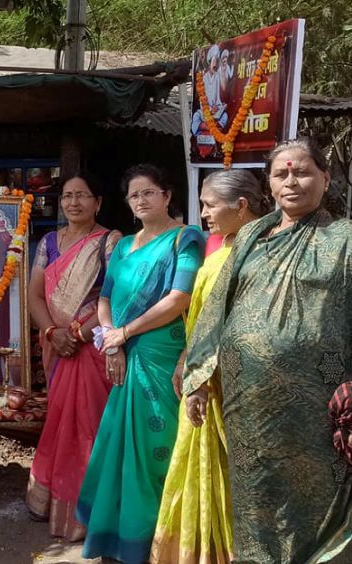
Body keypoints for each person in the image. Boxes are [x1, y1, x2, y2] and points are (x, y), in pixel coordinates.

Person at [182, 138, 352, 562]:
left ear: (325, 179)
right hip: (250, 406)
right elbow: (217, 308)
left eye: (303, 172)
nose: (292, 181)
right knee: (257, 500)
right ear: (270, 185)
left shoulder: (345, 238)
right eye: (282, 174)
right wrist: (199, 379)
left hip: (319, 405)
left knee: (316, 504)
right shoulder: (252, 237)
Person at [76, 164, 204, 563]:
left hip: (162, 356)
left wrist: (126, 333)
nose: (141, 200)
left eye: (149, 192)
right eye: (134, 195)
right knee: (118, 447)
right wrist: (113, 342)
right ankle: (118, 539)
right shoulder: (124, 247)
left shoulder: (186, 238)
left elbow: (179, 298)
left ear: (167, 196)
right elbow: (104, 300)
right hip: (123, 354)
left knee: (157, 449)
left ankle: (158, 542)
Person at [151, 169, 273, 563]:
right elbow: (201, 321)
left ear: (241, 206)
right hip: (203, 383)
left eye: (209, 205)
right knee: (197, 472)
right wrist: (187, 363)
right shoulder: (218, 252)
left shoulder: (265, 257)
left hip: (242, 389)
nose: (202, 213)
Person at [25, 172, 122, 540]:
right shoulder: (49, 242)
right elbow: (34, 295)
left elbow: (116, 295)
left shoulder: (111, 242)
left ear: (98, 202)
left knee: (89, 428)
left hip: (91, 346)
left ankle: (89, 513)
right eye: (67, 196)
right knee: (59, 422)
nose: (73, 203)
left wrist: (79, 332)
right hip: (56, 345)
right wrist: (53, 332)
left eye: (82, 195)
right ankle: (50, 501)